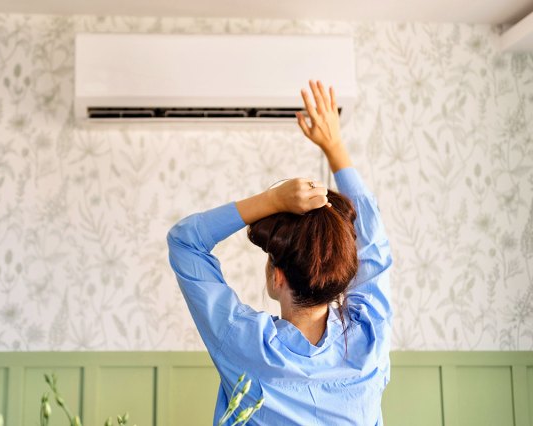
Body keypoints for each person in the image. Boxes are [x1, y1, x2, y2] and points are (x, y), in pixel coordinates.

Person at [167, 79, 393, 425]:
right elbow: (373, 239)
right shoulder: (369, 338)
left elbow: (185, 242)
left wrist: (271, 200)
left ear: (278, 276)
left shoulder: (245, 345)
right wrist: (334, 147)